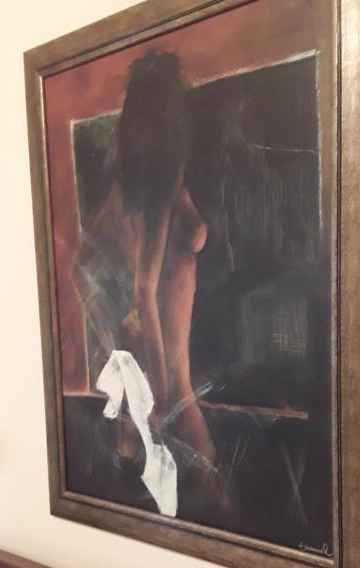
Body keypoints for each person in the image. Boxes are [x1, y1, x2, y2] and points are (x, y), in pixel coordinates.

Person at [73, 51, 215, 464]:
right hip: (159, 325)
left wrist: (110, 334)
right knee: (178, 416)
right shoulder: (157, 185)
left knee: (143, 429)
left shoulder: (134, 185)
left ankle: (136, 449)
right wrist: (163, 397)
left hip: (148, 324)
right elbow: (144, 292)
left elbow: (84, 266)